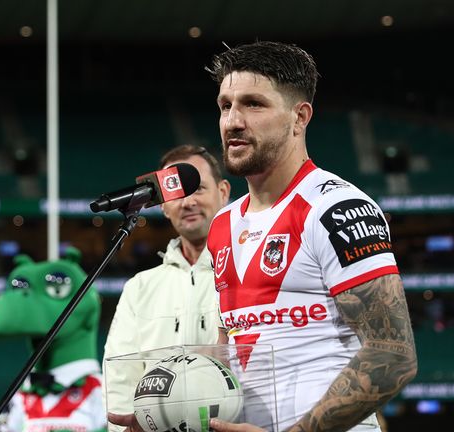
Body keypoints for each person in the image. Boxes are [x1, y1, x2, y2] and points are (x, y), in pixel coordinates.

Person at [204, 41, 418, 432]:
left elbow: (393, 354)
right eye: (225, 105)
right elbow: (229, 351)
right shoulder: (222, 224)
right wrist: (169, 409)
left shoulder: (338, 208)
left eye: (253, 104)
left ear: (300, 117)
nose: (233, 121)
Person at [103, 144, 231, 432]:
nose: (188, 202)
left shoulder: (247, 272)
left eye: (198, 189)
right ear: (162, 204)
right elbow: (120, 377)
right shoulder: (139, 288)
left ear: (223, 193)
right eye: (177, 194)